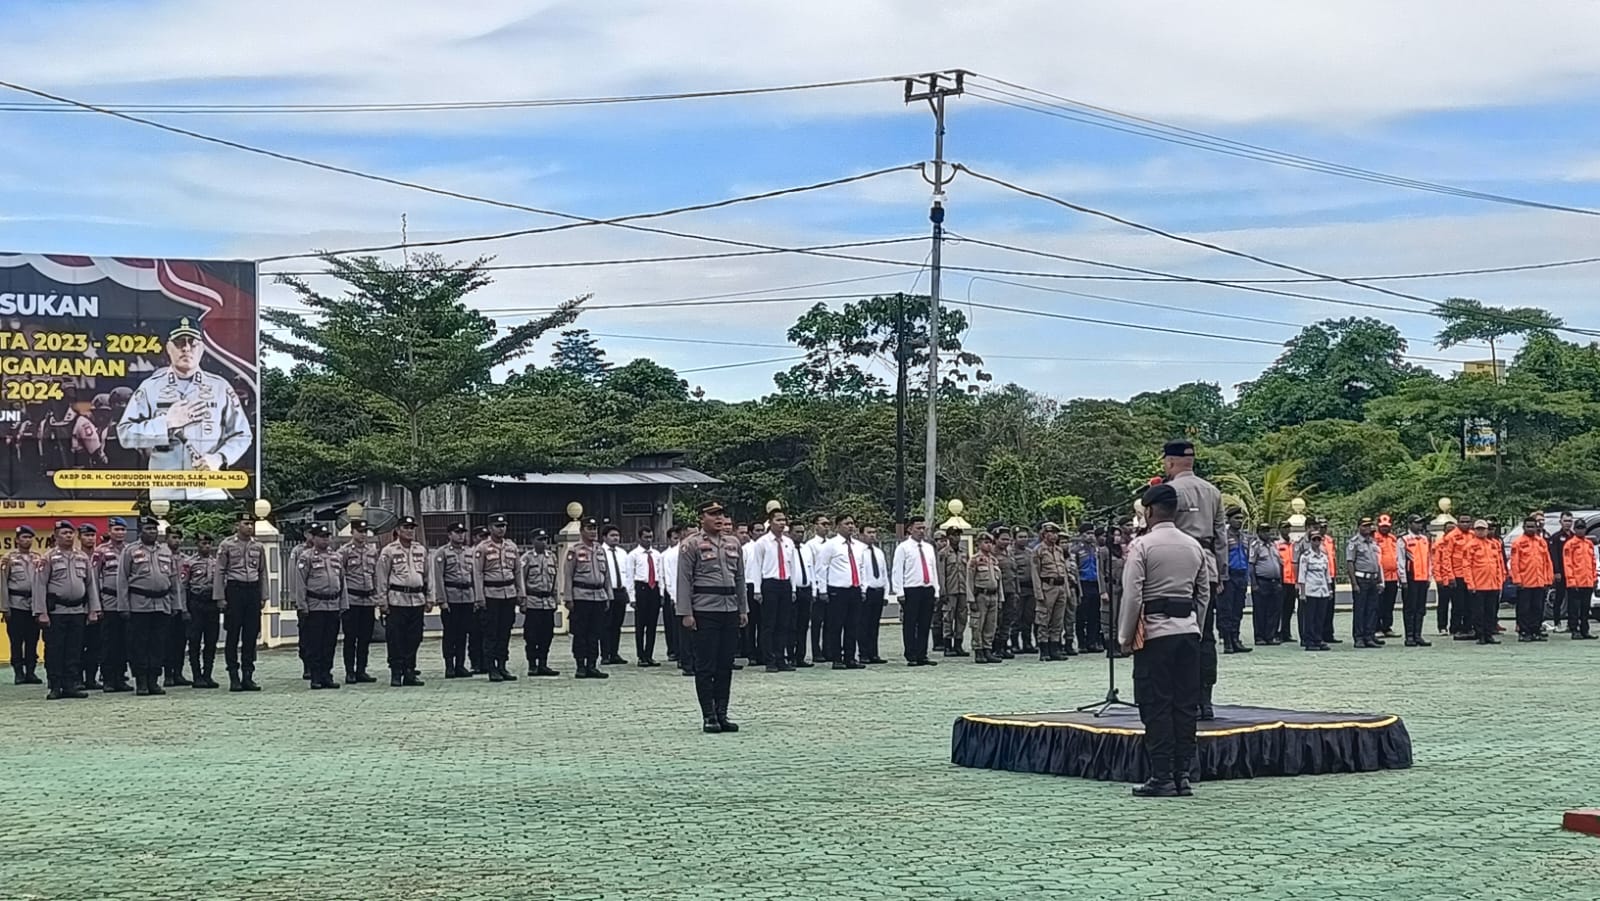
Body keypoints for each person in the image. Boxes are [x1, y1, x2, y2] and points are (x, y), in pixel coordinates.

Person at [1116, 483, 1208, 798]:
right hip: (1188, 633)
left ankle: (1162, 776)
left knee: (1156, 705)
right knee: (1185, 706)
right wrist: (1196, 626)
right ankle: (1183, 775)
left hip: (1156, 635)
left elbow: (1132, 596)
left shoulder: (1142, 546)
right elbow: (1203, 593)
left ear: (1150, 511)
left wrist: (1125, 637)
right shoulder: (1194, 545)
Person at [114, 318, 254, 501]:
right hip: (165, 489)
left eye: (192, 343)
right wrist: (166, 424)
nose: (186, 348)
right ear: (168, 348)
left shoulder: (220, 388)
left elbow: (242, 434)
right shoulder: (150, 388)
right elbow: (125, 434)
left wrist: (219, 458)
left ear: (201, 349)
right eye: (179, 343)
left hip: (208, 488)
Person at [1161, 440, 1227, 720]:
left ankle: (1180, 698)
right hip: (1208, 566)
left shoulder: (1169, 491)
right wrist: (1221, 573)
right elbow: (1221, 537)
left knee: (1174, 632)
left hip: (1176, 569)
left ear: (1170, 461)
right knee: (1205, 634)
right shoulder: (1212, 491)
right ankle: (1205, 700)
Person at [676, 501, 747, 734]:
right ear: (701, 518)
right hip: (705, 610)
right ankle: (708, 715)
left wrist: (742, 609)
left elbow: (739, 579)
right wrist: (686, 613)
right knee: (706, 666)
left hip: (729, 609)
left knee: (725, 665)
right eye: (713, 514)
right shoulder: (691, 545)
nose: (719, 518)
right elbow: (684, 581)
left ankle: (722, 713)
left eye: (721, 514)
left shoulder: (733, 543)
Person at [34, 521, 101, 700]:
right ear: (56, 536)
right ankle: (55, 686)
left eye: (71, 533)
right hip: (56, 612)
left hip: (77, 611)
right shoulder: (47, 557)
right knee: (55, 650)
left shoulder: (82, 557)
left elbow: (90, 585)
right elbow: (39, 586)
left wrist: (93, 609)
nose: (68, 536)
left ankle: (71, 685)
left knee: (74, 650)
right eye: (64, 533)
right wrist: (41, 612)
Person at [118, 517, 178, 696]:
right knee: (139, 644)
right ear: (140, 531)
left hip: (162, 604)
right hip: (139, 604)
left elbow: (174, 580)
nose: (152, 532)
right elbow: (122, 579)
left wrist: (177, 604)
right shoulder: (130, 550)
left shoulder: (166, 551)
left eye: (154, 529)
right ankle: (141, 681)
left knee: (158, 644)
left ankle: (154, 680)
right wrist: (124, 606)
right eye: (148, 528)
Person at [213, 512, 266, 692]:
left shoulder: (258, 546)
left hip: (252, 591)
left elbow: (262, 572)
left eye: (251, 524)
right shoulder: (227, 545)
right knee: (233, 635)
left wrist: (263, 595)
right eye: (245, 523)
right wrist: (220, 597)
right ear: (237, 525)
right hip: (234, 590)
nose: (249, 527)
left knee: (251, 635)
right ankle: (233, 676)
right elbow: (220, 572)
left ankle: (248, 675)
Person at [377, 517, 429, 686]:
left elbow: (428, 576)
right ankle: (396, 671)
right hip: (397, 600)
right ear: (398, 530)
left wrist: (430, 597)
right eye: (406, 527)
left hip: (417, 600)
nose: (410, 531)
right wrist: (382, 601)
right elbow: (382, 578)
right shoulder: (389, 551)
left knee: (415, 637)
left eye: (412, 527)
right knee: (396, 638)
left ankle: (410, 671)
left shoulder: (420, 550)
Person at [293, 524, 345, 689]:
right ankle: (315, 676)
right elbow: (300, 583)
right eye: (322, 536)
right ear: (313, 538)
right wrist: (302, 605)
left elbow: (342, 582)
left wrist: (343, 604)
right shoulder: (306, 557)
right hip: (315, 605)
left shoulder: (336, 557)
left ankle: (326, 674)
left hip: (333, 605)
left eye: (327, 536)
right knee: (315, 643)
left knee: (330, 643)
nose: (325, 539)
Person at [473, 515, 523, 682]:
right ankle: (491, 667)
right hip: (491, 594)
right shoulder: (483, 548)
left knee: (505, 632)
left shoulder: (511, 547)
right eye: (497, 525)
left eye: (503, 525)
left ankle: (502, 665)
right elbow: (478, 574)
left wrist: (520, 592)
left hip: (508, 594)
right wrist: (479, 597)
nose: (501, 529)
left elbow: (517, 572)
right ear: (490, 527)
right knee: (491, 633)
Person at [814, 515, 868, 669]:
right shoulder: (831, 545)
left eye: (852, 523)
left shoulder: (858, 546)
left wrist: (862, 588)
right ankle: (836, 658)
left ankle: (850, 657)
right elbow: (822, 568)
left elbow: (861, 568)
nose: (851, 526)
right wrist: (822, 590)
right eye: (847, 524)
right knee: (836, 625)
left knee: (853, 625)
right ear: (838, 526)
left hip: (855, 589)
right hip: (838, 590)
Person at [749, 509, 798, 673]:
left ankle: (780, 657)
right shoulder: (762, 542)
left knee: (783, 623)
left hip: (785, 583)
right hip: (769, 583)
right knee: (769, 623)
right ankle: (769, 659)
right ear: (770, 522)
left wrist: (793, 587)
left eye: (784, 520)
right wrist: (757, 589)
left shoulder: (788, 542)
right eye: (778, 520)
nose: (782, 523)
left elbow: (793, 566)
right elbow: (757, 565)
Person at [565, 517, 612, 680]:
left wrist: (608, 596)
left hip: (598, 596)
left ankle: (592, 664)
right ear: (582, 530)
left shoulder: (600, 550)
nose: (593, 532)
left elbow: (606, 576)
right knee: (580, 633)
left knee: (595, 633)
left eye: (595, 528)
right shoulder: (574, 550)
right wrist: (568, 598)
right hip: (581, 596)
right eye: (589, 528)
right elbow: (568, 576)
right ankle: (580, 665)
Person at [892, 519, 940, 667]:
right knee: (911, 623)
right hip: (911, 589)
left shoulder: (928, 547)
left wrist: (936, 589)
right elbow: (897, 570)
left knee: (925, 623)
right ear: (910, 529)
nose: (921, 531)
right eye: (918, 528)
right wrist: (899, 591)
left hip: (927, 588)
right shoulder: (903, 547)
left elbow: (933, 569)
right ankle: (911, 654)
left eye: (923, 528)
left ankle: (922, 654)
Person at [432, 522, 477, 679]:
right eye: (457, 532)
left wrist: (477, 598)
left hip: (467, 597)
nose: (460, 535)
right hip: (451, 598)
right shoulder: (442, 553)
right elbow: (438, 578)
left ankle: (460, 664)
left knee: (463, 633)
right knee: (450, 633)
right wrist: (442, 600)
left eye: (462, 532)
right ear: (449, 534)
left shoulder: (470, 552)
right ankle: (449, 665)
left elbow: (475, 577)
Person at [340, 520, 380, 683]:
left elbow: (376, 575)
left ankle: (361, 670)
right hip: (352, 600)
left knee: (365, 637)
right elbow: (340, 577)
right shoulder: (344, 551)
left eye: (365, 531)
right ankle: (350, 671)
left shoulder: (372, 551)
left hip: (368, 600)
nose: (363, 534)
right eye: (360, 531)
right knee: (350, 638)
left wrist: (377, 596)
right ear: (352, 532)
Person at [88, 520, 124, 692]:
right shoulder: (100, 551)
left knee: (123, 643)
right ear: (109, 531)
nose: (120, 533)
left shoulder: (129, 550)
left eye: (123, 529)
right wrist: (96, 606)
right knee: (108, 643)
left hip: (125, 603)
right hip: (108, 601)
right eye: (116, 529)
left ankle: (121, 677)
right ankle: (108, 679)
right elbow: (93, 579)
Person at [4, 526, 42, 685]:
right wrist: (4, 607)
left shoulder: (38, 558)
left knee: (33, 639)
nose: (27, 540)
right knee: (16, 640)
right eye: (24, 537)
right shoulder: (9, 559)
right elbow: (3, 584)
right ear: (17, 540)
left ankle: (31, 671)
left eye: (29, 537)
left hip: (33, 604)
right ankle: (18, 672)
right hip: (16, 604)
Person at [519, 529, 560, 676]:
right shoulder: (526, 558)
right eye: (540, 539)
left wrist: (556, 599)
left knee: (547, 635)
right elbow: (521, 581)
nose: (544, 542)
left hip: (547, 601)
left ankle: (543, 663)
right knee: (531, 636)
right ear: (533, 541)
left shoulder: (552, 557)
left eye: (545, 539)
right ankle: (532, 664)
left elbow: (555, 580)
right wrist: (522, 600)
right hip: (533, 601)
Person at [1031, 522, 1072, 662]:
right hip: (1047, 586)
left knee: (1058, 620)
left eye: (1055, 533)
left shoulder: (1059, 550)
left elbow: (1064, 571)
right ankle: (1044, 649)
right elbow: (1035, 573)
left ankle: (1055, 648)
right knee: (1044, 619)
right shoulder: (1038, 550)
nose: (1053, 536)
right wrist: (1038, 593)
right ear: (1044, 534)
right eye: (1050, 533)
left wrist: (1066, 590)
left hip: (1060, 587)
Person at [184, 532, 221, 688]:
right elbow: (184, 585)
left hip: (211, 604)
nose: (206, 546)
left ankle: (208, 674)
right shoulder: (189, 563)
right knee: (194, 641)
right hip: (196, 603)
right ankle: (197, 675)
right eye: (203, 543)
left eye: (208, 543)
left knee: (211, 641)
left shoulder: (217, 562)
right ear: (197, 545)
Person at [626, 526, 666, 668]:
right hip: (641, 587)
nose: (648, 540)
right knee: (640, 625)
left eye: (650, 537)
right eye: (646, 537)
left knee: (652, 625)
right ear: (639, 538)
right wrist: (632, 597)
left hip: (653, 588)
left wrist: (661, 593)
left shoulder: (656, 554)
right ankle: (640, 655)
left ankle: (649, 654)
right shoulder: (633, 555)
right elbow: (629, 576)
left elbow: (660, 575)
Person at [1510, 517, 1554, 642]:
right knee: (1524, 609)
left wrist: (1548, 579)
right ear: (1524, 528)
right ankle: (1524, 631)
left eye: (1532, 526)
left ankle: (1535, 630)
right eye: (1528, 526)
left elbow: (1547, 562)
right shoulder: (1518, 543)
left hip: (1540, 582)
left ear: (1536, 528)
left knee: (1538, 608)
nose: (1530, 529)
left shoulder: (1541, 542)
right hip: (1525, 582)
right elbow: (1514, 563)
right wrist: (1517, 580)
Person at [1293, 524, 1333, 652]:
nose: (1316, 542)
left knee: (1320, 617)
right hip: (1310, 591)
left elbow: (1327, 575)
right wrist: (1302, 593)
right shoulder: (1305, 557)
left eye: (1318, 539)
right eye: (1314, 539)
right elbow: (1302, 576)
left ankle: (1318, 638)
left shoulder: (1324, 556)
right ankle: (1309, 640)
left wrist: (1329, 589)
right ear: (1310, 541)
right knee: (1310, 617)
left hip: (1322, 591)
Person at [1462, 519, 1503, 645]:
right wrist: (1470, 583)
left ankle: (1489, 634)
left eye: (1483, 529)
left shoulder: (1493, 544)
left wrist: (1499, 581)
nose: (1481, 531)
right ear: (1474, 530)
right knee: (1478, 612)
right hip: (1478, 585)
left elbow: (1498, 564)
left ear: (1486, 530)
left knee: (1491, 612)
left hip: (1492, 584)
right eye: (1478, 529)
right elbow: (1466, 566)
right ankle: (1480, 635)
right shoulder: (1470, 546)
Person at [967, 532, 1005, 664]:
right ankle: (979, 650)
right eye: (985, 542)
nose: (988, 545)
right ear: (979, 544)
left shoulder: (993, 560)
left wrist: (1001, 598)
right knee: (978, 624)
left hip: (993, 595)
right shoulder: (975, 559)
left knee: (991, 624)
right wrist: (971, 599)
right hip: (980, 596)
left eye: (990, 543)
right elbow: (969, 580)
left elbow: (998, 581)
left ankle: (988, 649)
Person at [161, 527, 192, 686]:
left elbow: (186, 585)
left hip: (183, 606)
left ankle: (178, 673)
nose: (177, 541)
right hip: (166, 606)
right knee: (167, 642)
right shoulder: (161, 556)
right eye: (174, 537)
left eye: (179, 538)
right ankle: (167, 675)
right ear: (167, 538)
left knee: (180, 642)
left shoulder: (185, 560)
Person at [1220, 509, 1253, 654]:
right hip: (1228, 577)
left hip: (1241, 576)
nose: (1239, 521)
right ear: (1229, 520)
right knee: (1226, 610)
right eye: (1236, 518)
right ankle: (1227, 641)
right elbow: (1220, 558)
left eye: (1241, 518)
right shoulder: (1223, 537)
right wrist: (1221, 578)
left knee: (1238, 610)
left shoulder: (1244, 538)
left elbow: (1247, 558)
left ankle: (1236, 638)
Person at [598, 523, 630, 666]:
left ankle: (614, 653)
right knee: (605, 624)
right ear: (604, 537)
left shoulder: (622, 553)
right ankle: (605, 654)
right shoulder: (600, 552)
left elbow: (627, 574)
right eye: (612, 535)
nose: (615, 538)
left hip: (620, 591)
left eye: (617, 535)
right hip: (606, 592)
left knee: (617, 624)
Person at [1400, 516, 1433, 647]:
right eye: (1416, 523)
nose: (1419, 525)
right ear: (1410, 524)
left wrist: (1429, 576)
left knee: (1420, 608)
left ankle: (1418, 635)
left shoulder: (1425, 539)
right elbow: (1401, 561)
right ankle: (1409, 636)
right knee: (1410, 608)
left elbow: (1428, 559)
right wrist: (1403, 579)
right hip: (1410, 577)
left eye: (1421, 523)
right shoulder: (1404, 539)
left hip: (1423, 578)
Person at [1248, 522, 1282, 646]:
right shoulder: (1256, 545)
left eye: (1268, 530)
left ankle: (1270, 635)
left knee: (1274, 610)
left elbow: (1279, 563)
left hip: (1275, 582)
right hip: (1262, 581)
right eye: (1264, 531)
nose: (1267, 533)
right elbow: (1251, 565)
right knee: (1260, 610)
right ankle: (1260, 636)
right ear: (1259, 532)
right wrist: (1254, 583)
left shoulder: (1273, 545)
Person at [859, 524, 889, 665]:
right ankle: (863, 653)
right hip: (867, 591)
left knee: (874, 625)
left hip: (878, 590)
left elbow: (884, 573)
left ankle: (874, 653)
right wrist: (862, 590)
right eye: (869, 532)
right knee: (863, 624)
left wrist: (885, 593)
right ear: (861, 535)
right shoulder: (859, 551)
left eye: (874, 532)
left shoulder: (879, 552)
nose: (872, 535)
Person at [804, 515, 833, 663]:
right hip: (816, 585)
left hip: (832, 585)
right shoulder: (811, 545)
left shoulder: (832, 544)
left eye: (828, 524)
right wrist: (816, 589)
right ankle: (816, 651)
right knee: (817, 621)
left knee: (830, 621)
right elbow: (811, 567)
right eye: (823, 524)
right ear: (816, 526)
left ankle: (829, 649)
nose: (826, 527)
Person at [1562, 519, 1597, 640]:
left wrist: (1594, 578)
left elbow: (1592, 563)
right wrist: (1571, 581)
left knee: (1585, 608)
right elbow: (1568, 564)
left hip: (1587, 582)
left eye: (1582, 528)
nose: (1581, 530)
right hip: (1576, 582)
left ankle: (1585, 630)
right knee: (1574, 609)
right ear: (1575, 529)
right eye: (1578, 528)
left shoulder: (1589, 544)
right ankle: (1574, 629)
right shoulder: (1570, 544)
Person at [661, 525, 687, 671]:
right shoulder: (670, 554)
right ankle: (678, 653)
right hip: (676, 593)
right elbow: (669, 576)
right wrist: (673, 595)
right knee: (677, 627)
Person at [993, 527, 1021, 660]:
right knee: (997, 620)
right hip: (999, 592)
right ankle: (995, 647)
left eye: (1008, 539)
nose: (1006, 542)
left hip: (1011, 591)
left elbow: (1014, 575)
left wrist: (1017, 591)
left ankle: (1004, 645)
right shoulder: (992, 554)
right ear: (996, 539)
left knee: (1008, 620)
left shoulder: (1009, 554)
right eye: (1003, 539)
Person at [1009, 527, 1037, 654]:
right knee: (1016, 617)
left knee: (1029, 618)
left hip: (1030, 589)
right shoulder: (1010, 553)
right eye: (1020, 537)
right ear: (1014, 538)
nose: (1023, 539)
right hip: (1018, 588)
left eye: (1025, 537)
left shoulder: (1030, 552)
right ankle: (1014, 643)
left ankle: (1027, 642)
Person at [1548, 512, 1575, 632]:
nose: (1567, 523)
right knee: (1559, 598)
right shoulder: (1556, 537)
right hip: (1561, 573)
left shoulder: (1574, 537)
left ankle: (1572, 623)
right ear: (1561, 522)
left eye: (1569, 521)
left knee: (1573, 599)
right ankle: (1557, 622)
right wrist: (1556, 571)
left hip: (1573, 574)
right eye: (1565, 521)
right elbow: (1554, 556)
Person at [1275, 522, 1297, 645]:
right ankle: (1277, 633)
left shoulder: (1293, 544)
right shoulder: (1277, 544)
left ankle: (1286, 632)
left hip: (1292, 580)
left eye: (1288, 527)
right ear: (1279, 529)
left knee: (1289, 608)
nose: (1286, 530)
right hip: (1281, 580)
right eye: (1284, 528)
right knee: (1279, 608)